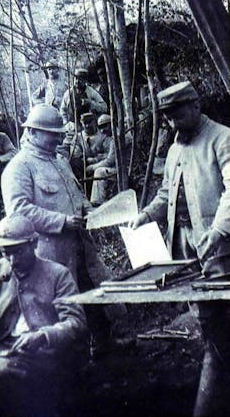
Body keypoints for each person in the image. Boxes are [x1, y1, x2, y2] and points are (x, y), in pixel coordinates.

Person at [129, 80, 230, 416]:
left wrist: (219, 231)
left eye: (178, 114)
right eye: (168, 117)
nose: (173, 123)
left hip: (219, 242)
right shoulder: (174, 149)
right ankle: (216, 362)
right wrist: (145, 215)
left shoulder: (221, 138)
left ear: (196, 106)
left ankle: (217, 368)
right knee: (203, 310)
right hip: (184, 241)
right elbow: (165, 193)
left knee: (222, 303)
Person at [1, 104, 129, 356]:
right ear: (33, 132)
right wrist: (61, 221)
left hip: (79, 245)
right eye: (53, 133)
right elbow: (19, 212)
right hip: (51, 251)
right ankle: (72, 364)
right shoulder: (18, 168)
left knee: (92, 291)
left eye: (59, 132)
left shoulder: (60, 161)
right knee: (62, 306)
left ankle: (103, 344)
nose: (59, 137)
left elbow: (76, 194)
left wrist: (88, 209)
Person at [0, 213, 87, 417]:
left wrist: (44, 335)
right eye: (5, 253)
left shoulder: (58, 274)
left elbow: (76, 322)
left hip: (41, 354)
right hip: (0, 349)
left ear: (34, 243)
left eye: (18, 252)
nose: (12, 260)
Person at [87, 114, 117, 206]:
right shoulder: (111, 137)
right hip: (117, 165)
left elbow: (110, 160)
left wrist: (92, 167)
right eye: (100, 127)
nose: (103, 130)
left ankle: (97, 202)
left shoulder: (118, 136)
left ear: (112, 124)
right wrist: (96, 159)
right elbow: (109, 154)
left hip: (123, 168)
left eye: (105, 126)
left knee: (99, 171)